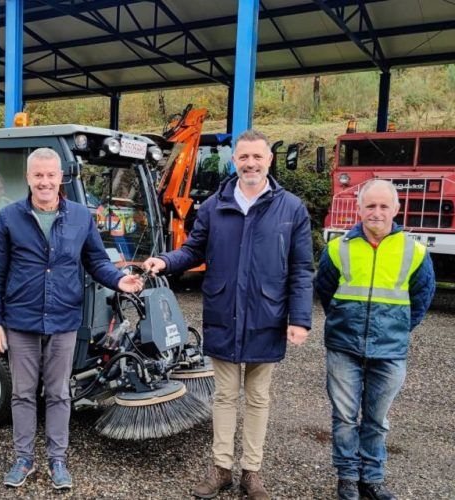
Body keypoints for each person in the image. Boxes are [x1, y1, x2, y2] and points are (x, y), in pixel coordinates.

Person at [142, 129, 314, 500]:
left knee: (258, 398)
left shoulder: (291, 209)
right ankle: (221, 468)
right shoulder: (214, 207)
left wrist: (299, 318)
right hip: (224, 311)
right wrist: (166, 261)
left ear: (269, 160)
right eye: (243, 157)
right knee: (223, 396)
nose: (250, 163)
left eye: (257, 157)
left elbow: (301, 268)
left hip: (267, 316)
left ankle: (251, 472)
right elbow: (192, 250)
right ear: (234, 161)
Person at [0, 147, 143, 490]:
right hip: (21, 321)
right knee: (23, 394)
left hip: (63, 320)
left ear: (61, 177)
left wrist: (119, 279)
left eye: (50, 175)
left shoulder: (80, 217)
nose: (45, 181)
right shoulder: (9, 217)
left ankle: (58, 460)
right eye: (38, 175)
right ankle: (23, 458)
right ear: (28, 178)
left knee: (58, 393)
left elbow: (96, 261)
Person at [315, 179, 435, 500]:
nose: (377, 212)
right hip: (344, 347)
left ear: (396, 209)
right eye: (370, 206)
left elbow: (422, 297)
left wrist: (396, 328)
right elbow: (325, 290)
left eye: (384, 206)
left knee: (376, 420)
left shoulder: (414, 251)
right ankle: (348, 479)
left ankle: (372, 479)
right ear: (359, 208)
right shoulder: (338, 248)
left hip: (390, 351)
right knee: (343, 418)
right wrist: (344, 322)